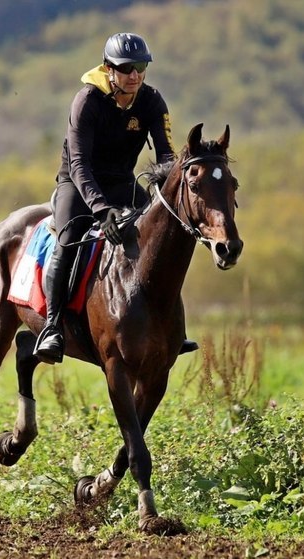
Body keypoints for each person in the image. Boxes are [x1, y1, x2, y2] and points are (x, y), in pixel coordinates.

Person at [34, 32, 198, 364]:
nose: (135, 75)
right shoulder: (87, 102)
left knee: (160, 237)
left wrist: (166, 197)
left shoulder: (152, 101)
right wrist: (101, 209)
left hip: (123, 183)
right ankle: (52, 327)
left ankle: (171, 330)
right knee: (67, 241)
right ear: (109, 69)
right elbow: (79, 164)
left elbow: (167, 157)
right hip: (79, 185)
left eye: (140, 67)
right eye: (126, 68)